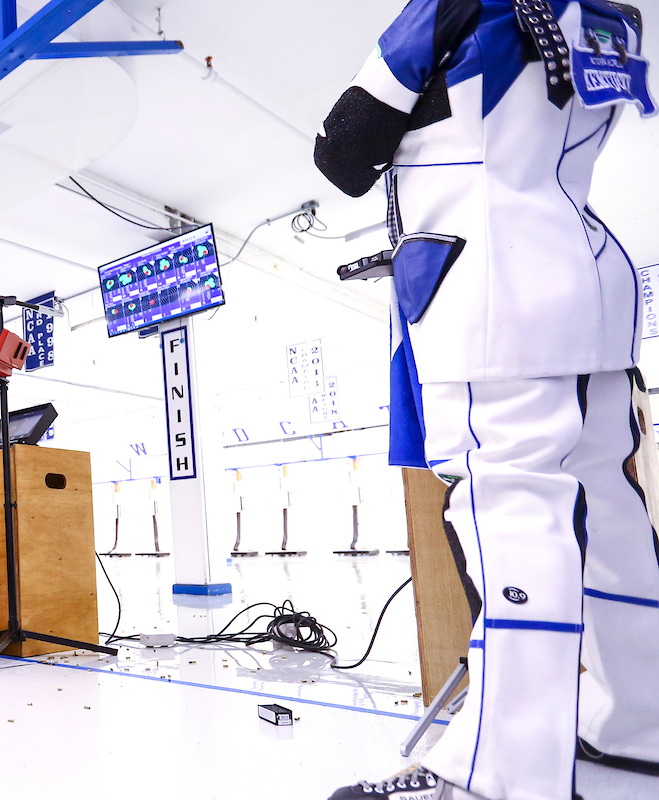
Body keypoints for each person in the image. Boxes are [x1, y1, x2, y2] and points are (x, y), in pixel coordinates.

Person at [314, 2, 656, 799]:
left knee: (511, 516)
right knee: (611, 514)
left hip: (494, 295)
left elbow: (343, 152)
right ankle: (639, 729)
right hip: (593, 285)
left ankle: (495, 776)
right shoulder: (613, 16)